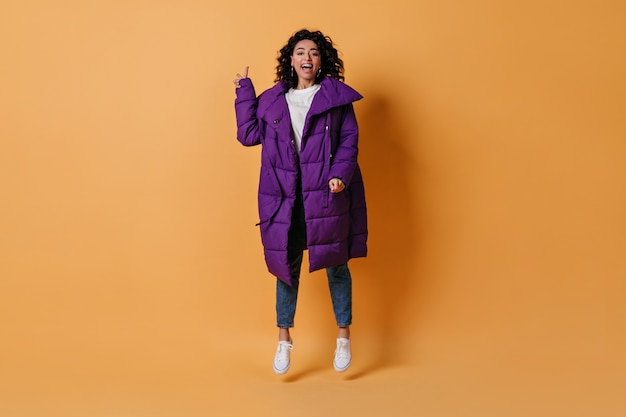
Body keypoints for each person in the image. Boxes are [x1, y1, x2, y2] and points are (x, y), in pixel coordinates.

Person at [233, 29, 367, 374]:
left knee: (337, 265)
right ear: (290, 60)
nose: (307, 58)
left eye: (314, 53)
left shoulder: (335, 98)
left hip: (325, 193)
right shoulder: (274, 99)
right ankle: (283, 341)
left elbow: (350, 140)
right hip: (285, 196)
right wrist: (243, 93)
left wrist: (340, 174)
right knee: (285, 269)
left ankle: (343, 337)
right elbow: (248, 135)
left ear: (322, 61)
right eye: (300, 52)